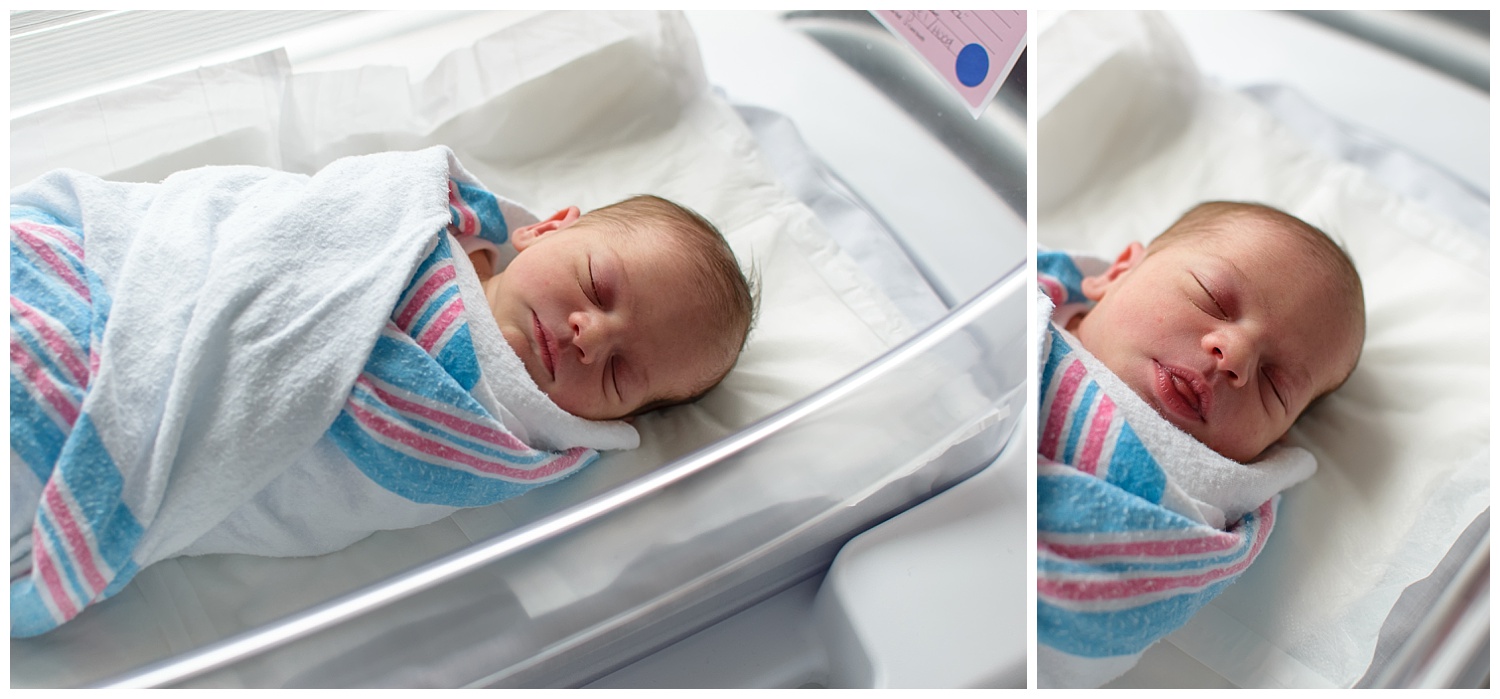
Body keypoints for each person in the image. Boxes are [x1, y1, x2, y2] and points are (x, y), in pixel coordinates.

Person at [1054, 200, 1364, 462]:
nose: (1235, 356)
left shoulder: (1217, 511)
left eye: (1274, 386)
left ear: (1277, 439)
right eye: (1211, 298)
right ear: (1119, 271)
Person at [465, 195, 755, 422]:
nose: (589, 338)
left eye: (616, 374)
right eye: (595, 286)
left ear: (612, 422)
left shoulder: (514, 448)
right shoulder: (441, 224)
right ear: (545, 230)